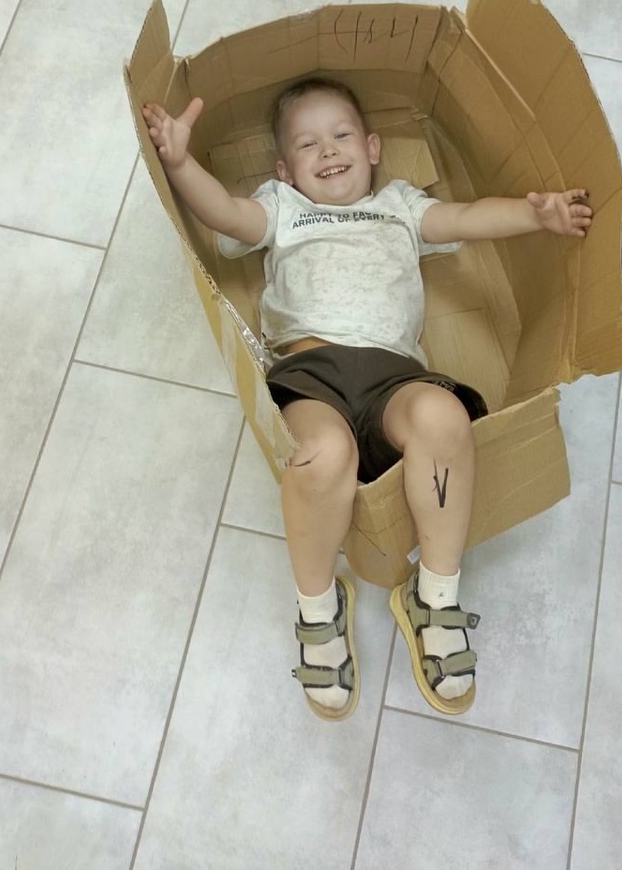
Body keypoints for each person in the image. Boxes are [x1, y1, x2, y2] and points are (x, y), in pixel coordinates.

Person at [141, 77, 592, 721]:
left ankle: (434, 595)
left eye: (342, 135)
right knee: (323, 456)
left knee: (445, 417)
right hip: (312, 372)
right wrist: (181, 161)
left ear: (373, 147)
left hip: (393, 376)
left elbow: (466, 218)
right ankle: (319, 607)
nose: (327, 150)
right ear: (284, 170)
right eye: (307, 145)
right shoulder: (283, 208)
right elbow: (226, 216)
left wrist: (535, 214)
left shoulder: (401, 206)